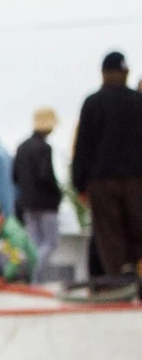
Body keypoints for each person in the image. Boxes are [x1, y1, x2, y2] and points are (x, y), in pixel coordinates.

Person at [71, 51, 142, 281]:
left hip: (102, 182)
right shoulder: (137, 101)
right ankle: (137, 274)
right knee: (137, 230)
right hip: (136, 181)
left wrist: (79, 183)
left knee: (110, 235)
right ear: (125, 72)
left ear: (103, 74)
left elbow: (83, 146)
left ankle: (120, 279)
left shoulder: (93, 103)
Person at [12, 108, 64, 280]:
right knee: (50, 242)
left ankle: (31, 277)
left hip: (27, 204)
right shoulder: (44, 148)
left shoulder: (22, 147)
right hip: (46, 204)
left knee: (34, 244)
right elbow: (46, 176)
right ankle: (33, 276)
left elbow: (14, 176)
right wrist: (57, 195)